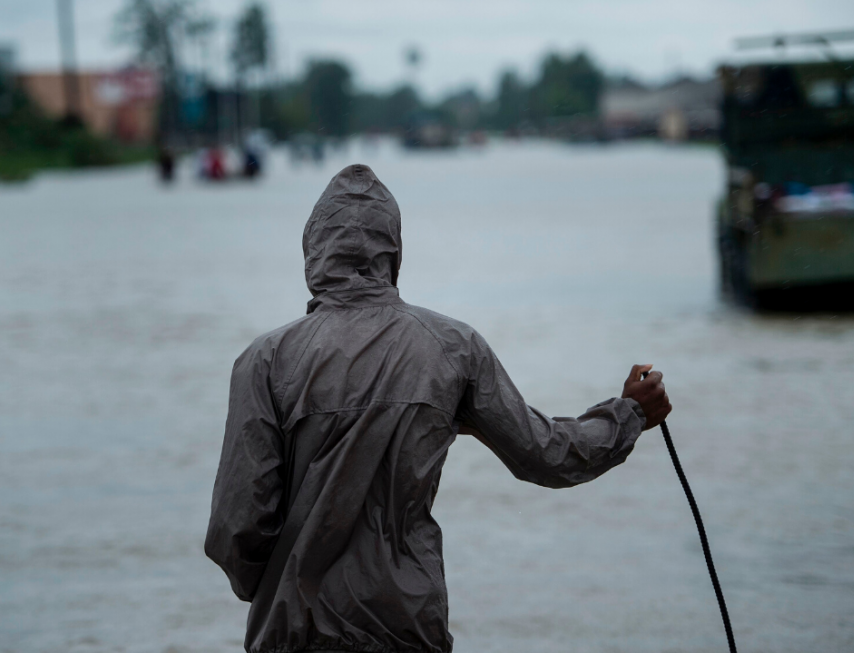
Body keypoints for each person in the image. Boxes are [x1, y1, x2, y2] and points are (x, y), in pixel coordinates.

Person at [205, 164, 672, 653]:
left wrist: (281, 581)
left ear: (313, 251)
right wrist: (628, 414)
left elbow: (237, 528)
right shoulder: (452, 347)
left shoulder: (265, 360)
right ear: (394, 252)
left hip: (293, 634)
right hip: (407, 626)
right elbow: (547, 454)